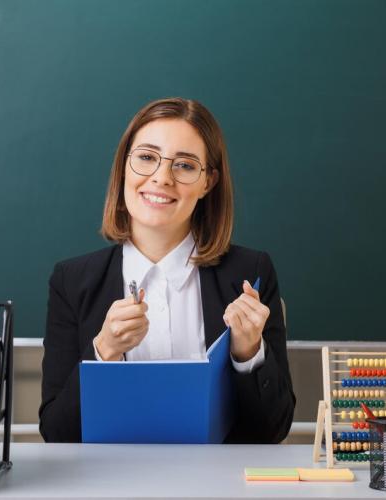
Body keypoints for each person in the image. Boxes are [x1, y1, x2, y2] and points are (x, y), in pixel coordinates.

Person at [39, 97, 295, 443]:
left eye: (185, 165)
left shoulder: (250, 272)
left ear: (208, 182)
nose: (161, 178)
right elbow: (57, 434)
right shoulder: (71, 281)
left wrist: (249, 352)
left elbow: (271, 433)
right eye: (146, 158)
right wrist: (103, 352)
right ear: (124, 167)